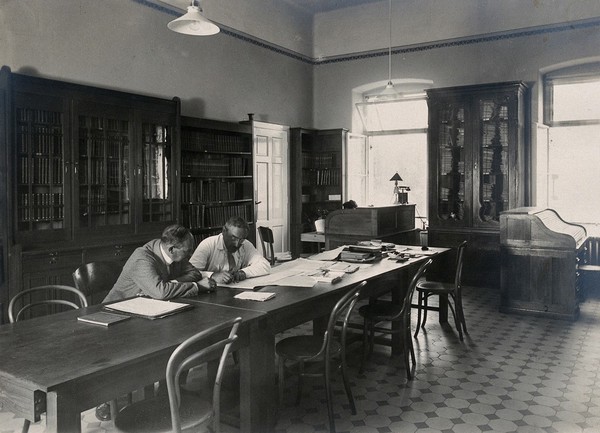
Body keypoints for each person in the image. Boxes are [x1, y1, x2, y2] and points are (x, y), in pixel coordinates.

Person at [103, 224, 215, 303]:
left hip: (146, 307)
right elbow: (160, 292)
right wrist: (198, 286)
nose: (190, 254)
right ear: (171, 249)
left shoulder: (173, 252)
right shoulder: (142, 258)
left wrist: (172, 283)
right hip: (117, 311)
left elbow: (195, 273)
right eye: (187, 251)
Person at [189, 216, 271, 284]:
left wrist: (244, 273)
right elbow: (190, 272)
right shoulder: (208, 244)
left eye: (241, 239)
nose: (237, 244)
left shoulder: (245, 244)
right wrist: (212, 275)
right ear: (224, 231)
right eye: (233, 237)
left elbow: (265, 265)